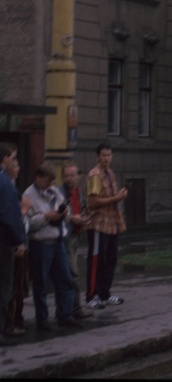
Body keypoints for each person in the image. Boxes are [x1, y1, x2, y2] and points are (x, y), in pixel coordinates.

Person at [24, 163, 82, 331]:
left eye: (52, 182)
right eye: (47, 182)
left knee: (65, 279)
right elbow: (28, 223)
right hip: (41, 244)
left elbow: (67, 211)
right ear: (38, 178)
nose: (50, 185)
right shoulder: (29, 195)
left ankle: (65, 315)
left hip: (58, 242)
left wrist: (64, 214)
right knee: (40, 283)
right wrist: (46, 217)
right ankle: (42, 320)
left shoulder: (55, 191)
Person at [85, 142, 128, 310]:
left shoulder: (109, 173)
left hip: (112, 224)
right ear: (98, 157)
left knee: (110, 260)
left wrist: (118, 196)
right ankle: (91, 296)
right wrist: (116, 199)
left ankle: (105, 293)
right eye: (103, 155)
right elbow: (92, 202)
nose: (107, 158)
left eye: (109, 155)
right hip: (98, 223)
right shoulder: (95, 175)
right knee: (96, 261)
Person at [0, 143, 26, 346]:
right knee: (4, 287)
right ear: (5, 159)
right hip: (4, 243)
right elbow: (10, 215)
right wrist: (19, 240)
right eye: (13, 158)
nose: (15, 162)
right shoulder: (5, 183)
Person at [60, 163, 89, 318]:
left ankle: (72, 308)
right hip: (66, 236)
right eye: (66, 176)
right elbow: (58, 213)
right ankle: (74, 308)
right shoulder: (60, 192)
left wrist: (83, 219)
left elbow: (82, 208)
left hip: (76, 235)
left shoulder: (78, 192)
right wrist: (72, 218)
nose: (68, 179)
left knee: (72, 272)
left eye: (71, 175)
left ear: (79, 176)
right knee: (73, 273)